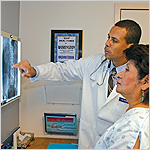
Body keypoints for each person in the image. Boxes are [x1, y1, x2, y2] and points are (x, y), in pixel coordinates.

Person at [12, 19, 142, 149]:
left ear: (129, 46)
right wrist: (35, 71)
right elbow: (62, 70)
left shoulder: (140, 76)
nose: (107, 43)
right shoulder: (93, 62)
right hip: (89, 142)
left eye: (114, 40)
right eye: (108, 38)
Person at [94, 44, 149, 149]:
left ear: (145, 82)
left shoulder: (132, 125)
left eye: (127, 70)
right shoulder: (138, 116)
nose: (119, 75)